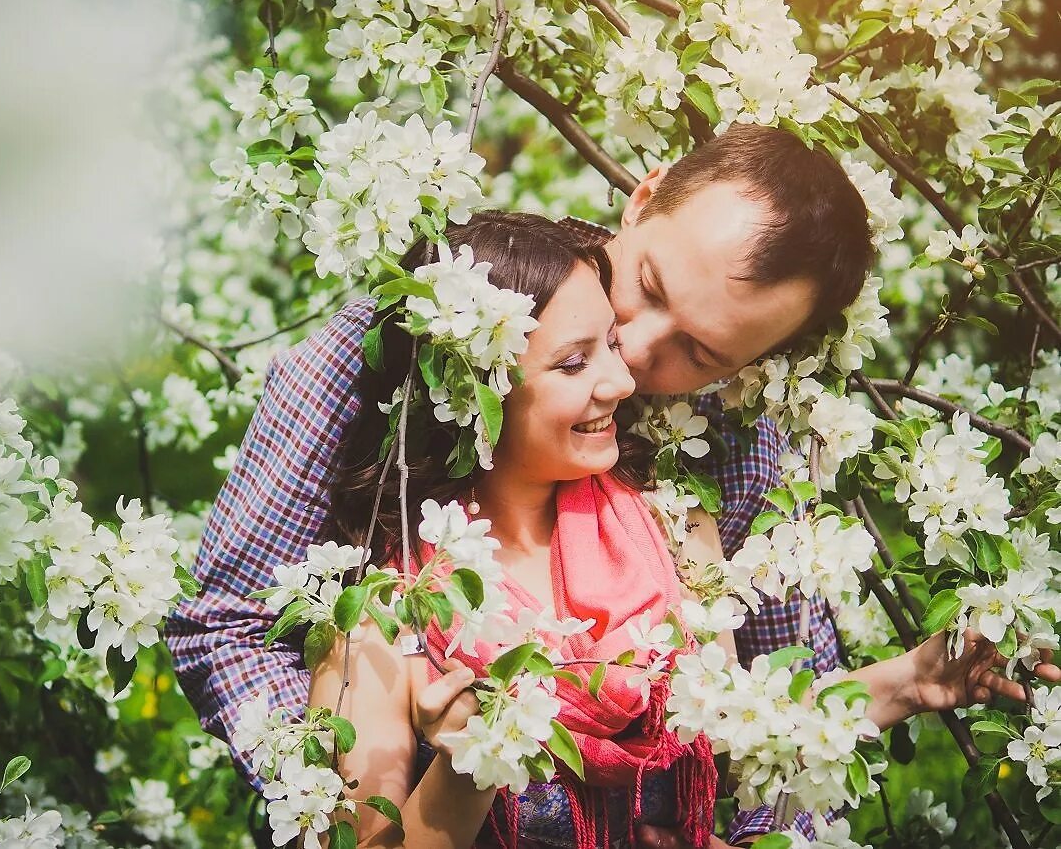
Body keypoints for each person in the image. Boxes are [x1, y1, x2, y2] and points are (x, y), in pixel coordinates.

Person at [167, 125, 877, 846]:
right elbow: (226, 627)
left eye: (698, 352)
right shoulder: (399, 349)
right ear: (645, 196)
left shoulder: (737, 440)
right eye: (648, 287)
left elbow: (787, 679)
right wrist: (358, 775)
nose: (633, 351)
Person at [307, 211, 1032, 849]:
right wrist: (469, 769)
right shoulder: (389, 616)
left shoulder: (675, 530)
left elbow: (731, 722)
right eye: (572, 362)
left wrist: (909, 681)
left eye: (609, 348)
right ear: (472, 391)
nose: (621, 385)